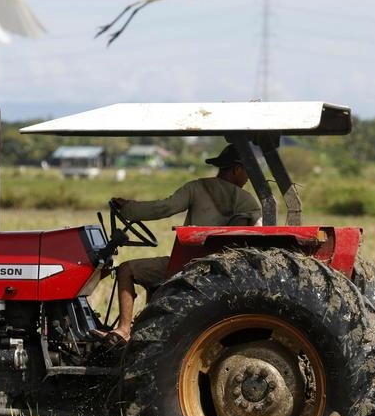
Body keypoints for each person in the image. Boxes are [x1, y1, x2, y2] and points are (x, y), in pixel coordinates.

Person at [93, 144, 262, 348]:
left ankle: (124, 330)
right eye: (247, 172)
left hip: (187, 267)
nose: (248, 178)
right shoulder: (249, 203)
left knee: (126, 269)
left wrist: (129, 208)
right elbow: (253, 237)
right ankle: (146, 327)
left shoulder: (197, 187)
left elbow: (164, 208)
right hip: (222, 272)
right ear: (237, 169)